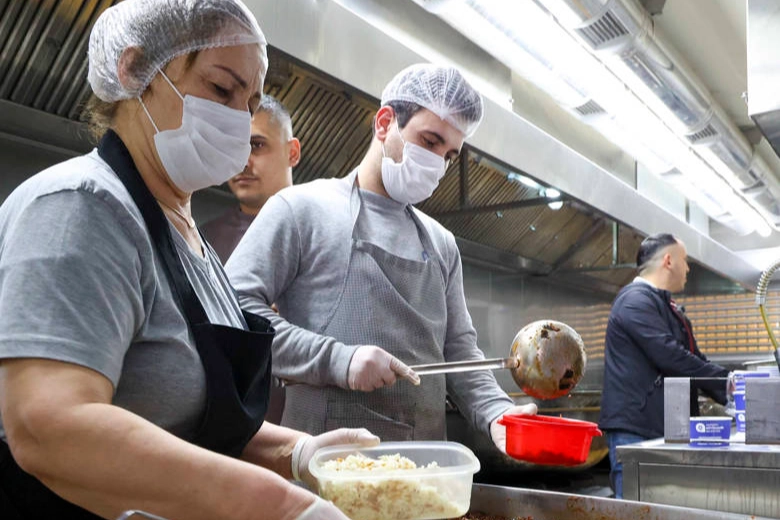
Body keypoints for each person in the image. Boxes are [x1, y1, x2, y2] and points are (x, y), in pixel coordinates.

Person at [0, 2, 375, 519]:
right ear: (136, 71)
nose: (239, 123)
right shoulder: (82, 206)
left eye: (249, 104)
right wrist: (280, 505)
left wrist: (301, 453)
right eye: (222, 90)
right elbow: (50, 426)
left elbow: (196, 423)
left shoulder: (188, 237)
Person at [226, 63, 536, 451]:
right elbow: (234, 310)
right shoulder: (301, 209)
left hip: (423, 476)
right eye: (429, 140)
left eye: (450, 154)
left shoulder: (441, 244)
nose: (438, 162)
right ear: (385, 122)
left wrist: (498, 414)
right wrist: (338, 359)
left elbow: (458, 351)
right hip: (325, 478)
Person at [599, 233, 728, 498]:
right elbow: (671, 356)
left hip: (662, 430)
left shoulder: (665, 306)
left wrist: (731, 388)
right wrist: (727, 384)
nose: (688, 268)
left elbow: (692, 356)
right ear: (668, 261)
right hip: (636, 431)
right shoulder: (634, 301)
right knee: (636, 513)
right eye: (685, 260)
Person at [202, 95, 301, 264]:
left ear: (292, 153)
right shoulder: (203, 242)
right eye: (233, 148)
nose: (242, 163)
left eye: (256, 145)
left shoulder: (321, 231)